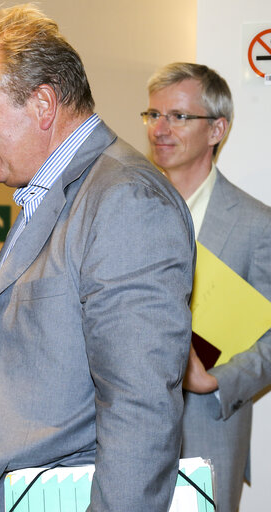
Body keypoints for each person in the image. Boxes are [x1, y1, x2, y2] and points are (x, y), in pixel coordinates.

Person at [0, 5, 196, 511]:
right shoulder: (48, 189)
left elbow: (140, 411)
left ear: (43, 104)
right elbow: (0, 364)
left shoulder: (126, 200)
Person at [144, 62, 271, 511]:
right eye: (153, 114)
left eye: (178, 116)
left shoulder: (257, 225)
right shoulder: (127, 209)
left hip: (207, 432)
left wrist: (216, 380)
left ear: (217, 129)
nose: (160, 129)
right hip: (123, 434)